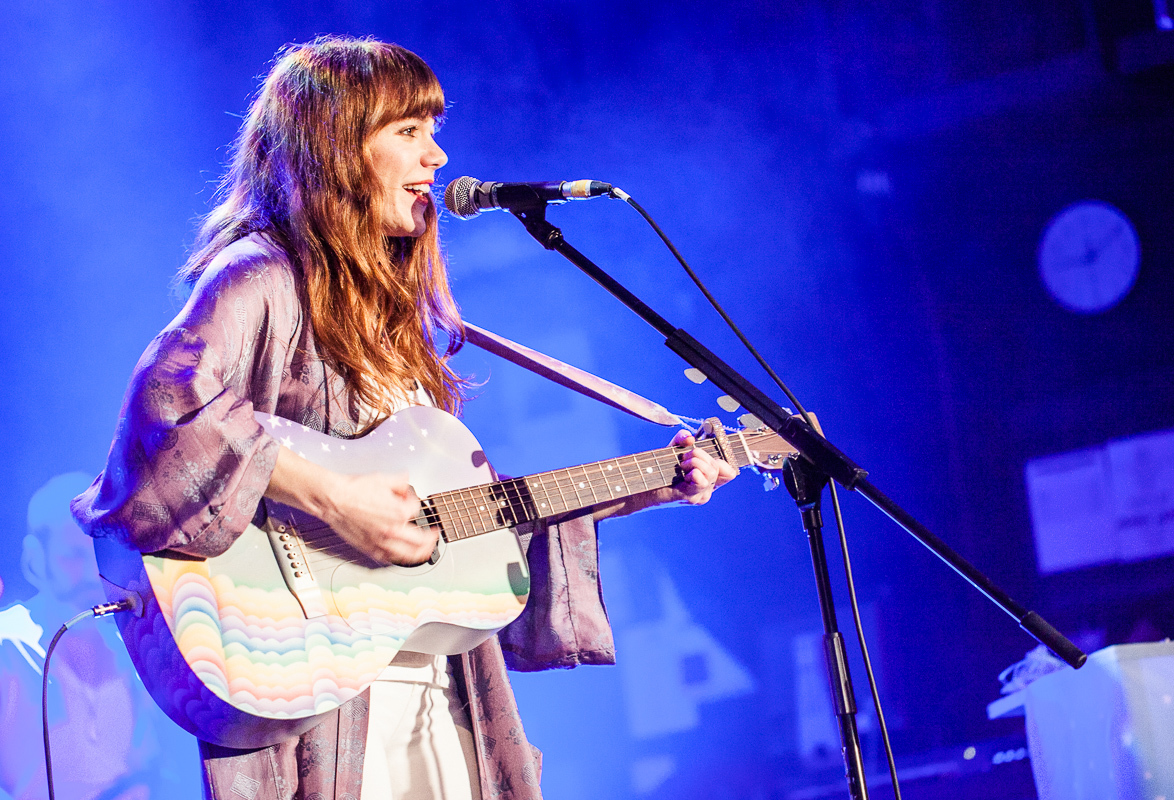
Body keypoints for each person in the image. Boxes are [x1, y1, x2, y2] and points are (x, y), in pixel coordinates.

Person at [71, 36, 736, 800]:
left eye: (434, 129)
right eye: (410, 132)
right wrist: (333, 499)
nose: (439, 157)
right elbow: (168, 407)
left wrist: (652, 485)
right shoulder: (262, 274)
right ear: (335, 145)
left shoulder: (392, 316)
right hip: (323, 696)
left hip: (441, 699)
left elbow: (461, 533)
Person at [0, 473, 201, 800]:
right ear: (35, 559)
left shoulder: (127, 649)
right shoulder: (6, 644)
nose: (92, 573)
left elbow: (153, 768)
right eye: (73, 556)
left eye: (97, 556)